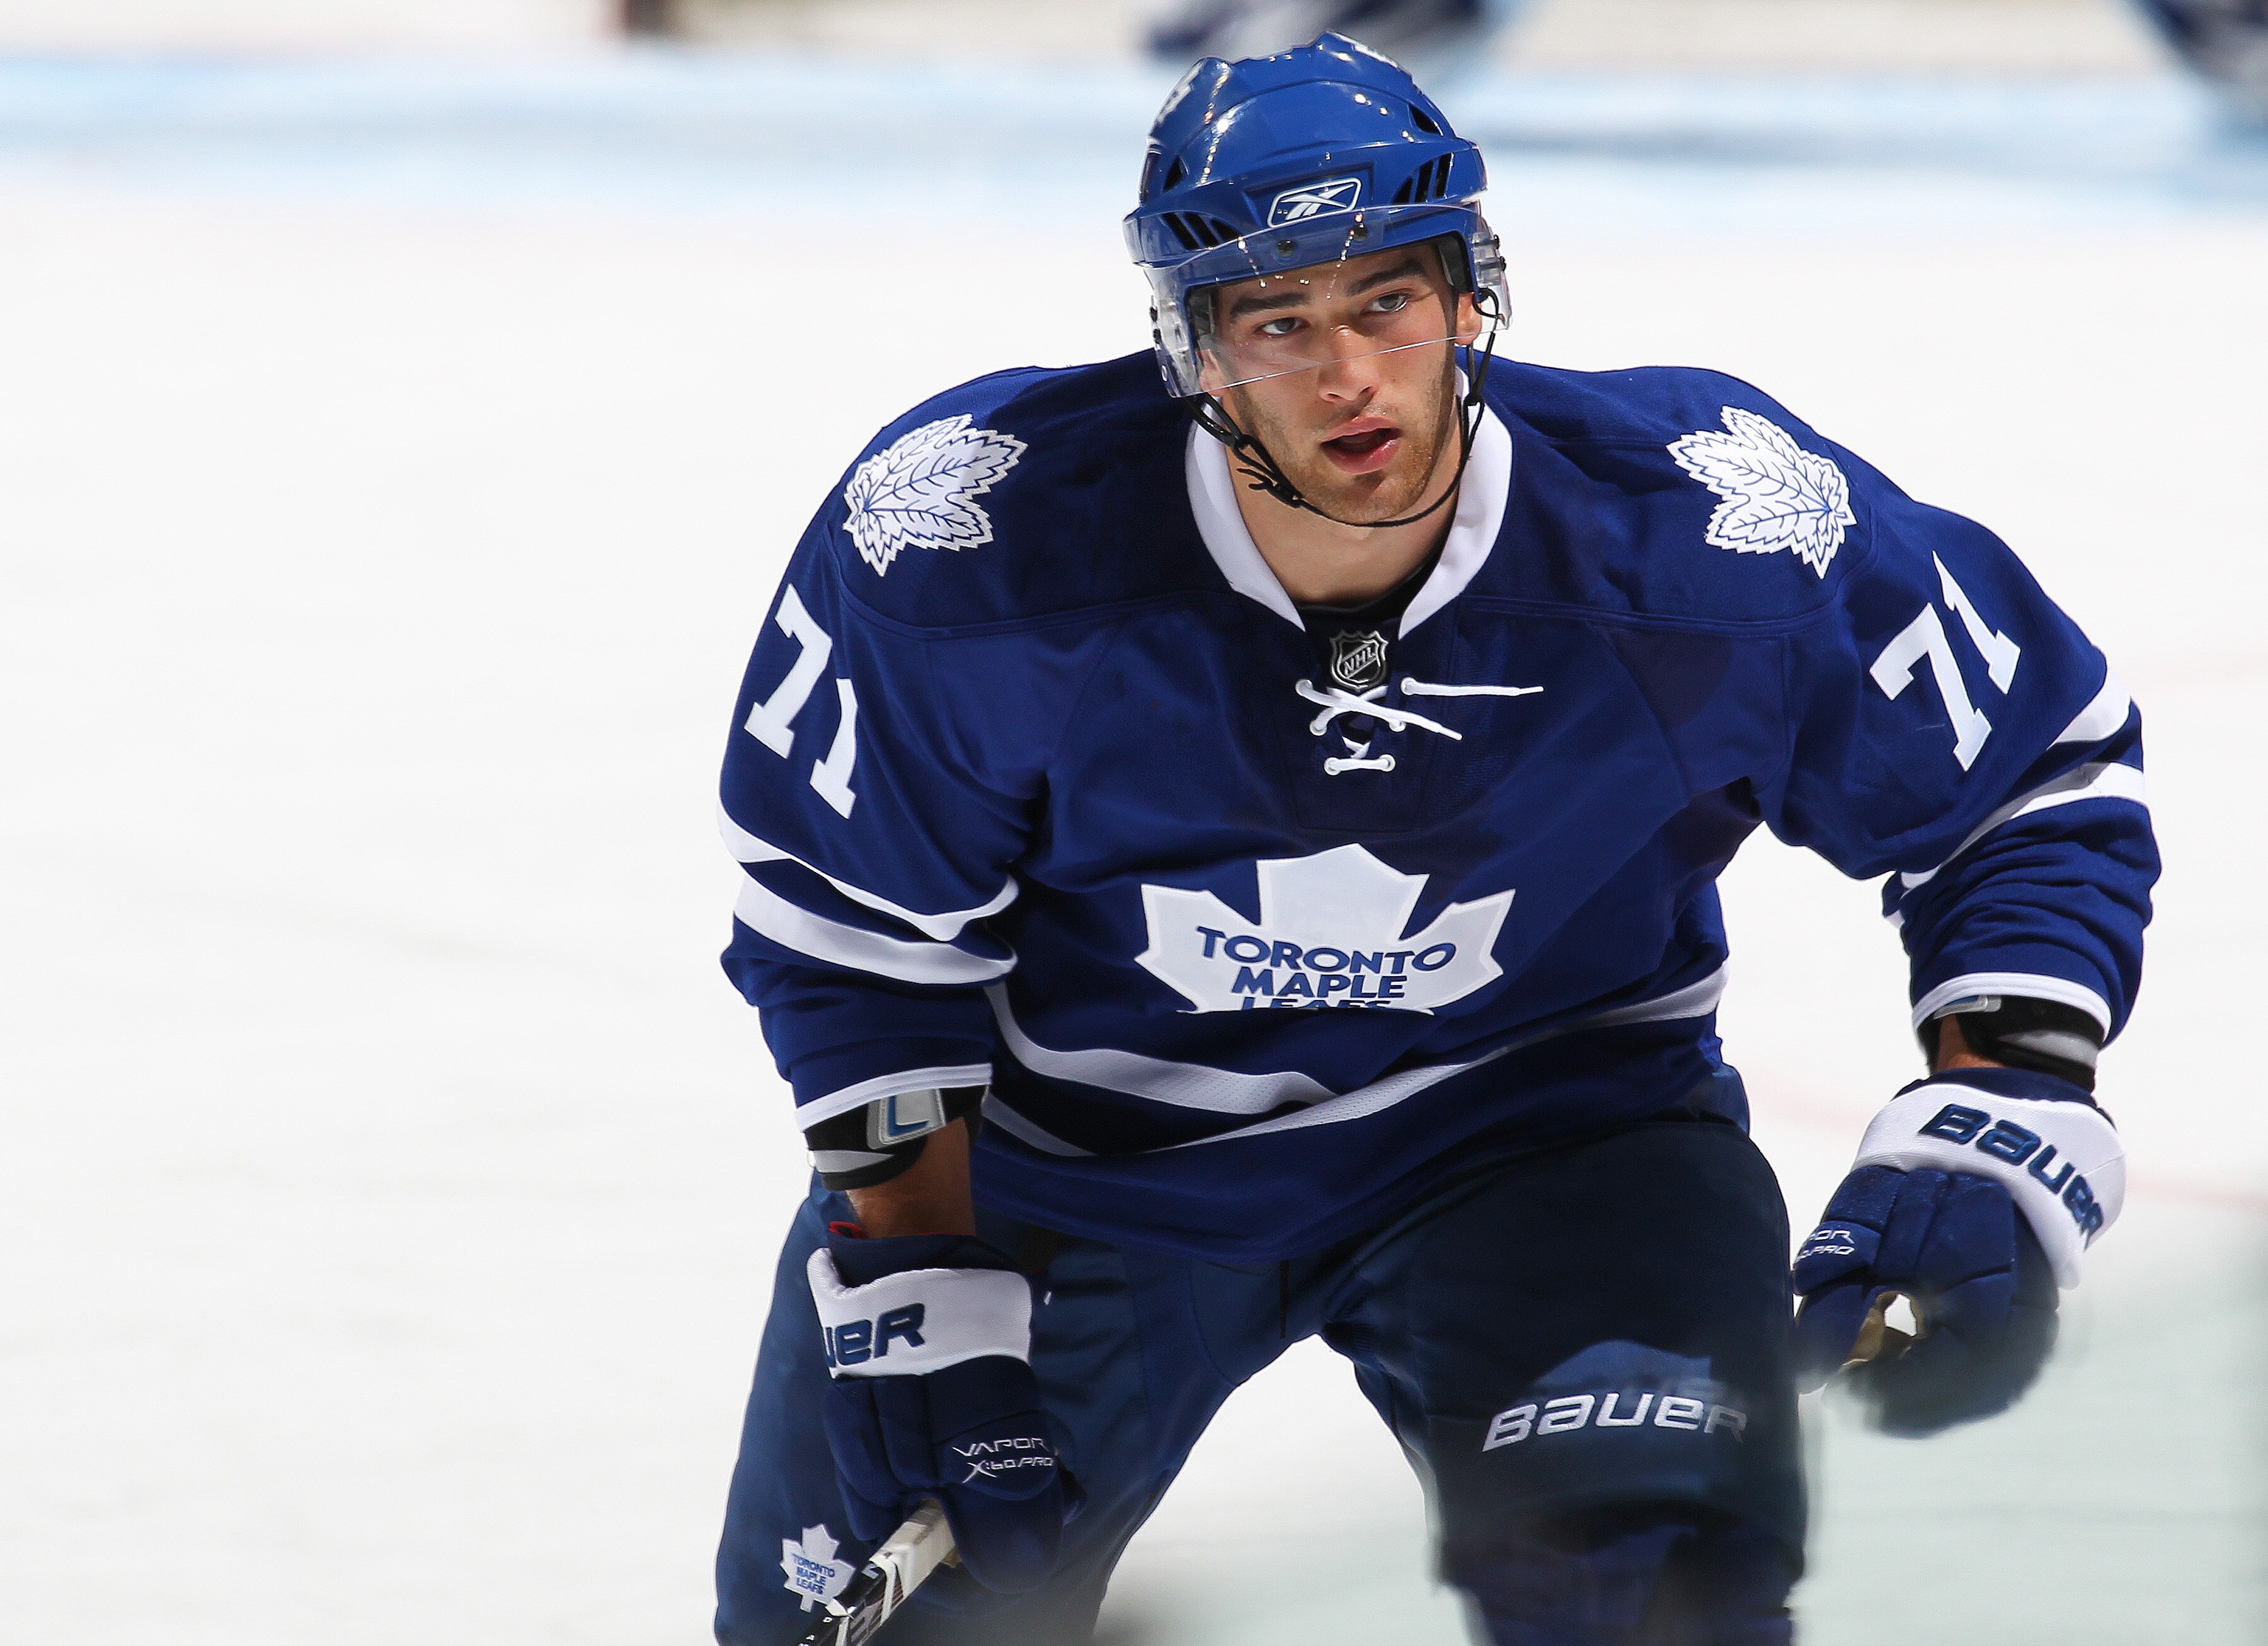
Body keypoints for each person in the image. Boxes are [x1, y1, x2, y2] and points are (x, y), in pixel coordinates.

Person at [709, 35, 2155, 1645]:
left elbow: (2029, 778)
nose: (1348, 379)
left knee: (1656, 1598)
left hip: (1550, 1139)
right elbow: (853, 938)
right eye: (1279, 321)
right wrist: (920, 1284)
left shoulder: (1713, 531)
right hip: (1081, 1167)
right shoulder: (967, 546)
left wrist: (2007, 1092)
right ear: (1193, 351)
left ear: (1472, 297)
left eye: (1386, 303)